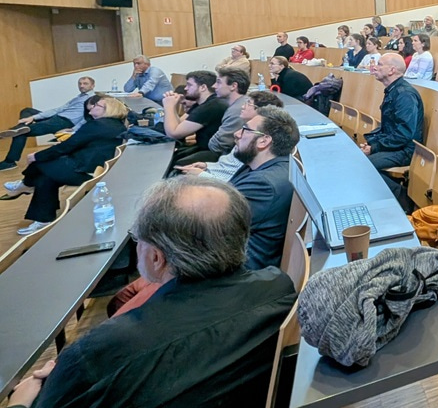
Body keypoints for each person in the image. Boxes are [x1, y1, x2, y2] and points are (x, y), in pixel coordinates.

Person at [6, 176, 296, 408]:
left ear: (157, 257)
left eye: (137, 240)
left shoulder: (99, 352)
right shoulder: (279, 287)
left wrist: (20, 400)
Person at [3, 97, 127, 236]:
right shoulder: (115, 125)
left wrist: (36, 156)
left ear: (108, 109)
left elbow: (68, 146)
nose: (91, 108)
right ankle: (43, 219)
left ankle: (25, 184)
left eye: (96, 105)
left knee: (40, 161)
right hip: (89, 167)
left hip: (85, 171)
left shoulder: (98, 125)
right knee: (45, 177)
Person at [229, 105, 299, 270]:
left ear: (263, 140)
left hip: (236, 272)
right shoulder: (270, 166)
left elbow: (206, 225)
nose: (237, 134)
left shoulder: (263, 185)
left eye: (245, 130)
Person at [361, 53, 425, 208]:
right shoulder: (393, 90)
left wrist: (374, 147)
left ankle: (402, 199)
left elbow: (403, 134)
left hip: (405, 150)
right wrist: (372, 143)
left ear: (392, 70)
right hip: (395, 146)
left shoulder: (404, 94)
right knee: (358, 160)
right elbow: (388, 128)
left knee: (363, 166)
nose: (375, 67)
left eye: (380, 64)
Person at [176, 91, 284, 182]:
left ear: (260, 110)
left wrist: (201, 175)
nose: (242, 106)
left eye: (248, 104)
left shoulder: (253, 139)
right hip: (214, 172)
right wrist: (206, 166)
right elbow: (228, 166)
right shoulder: (246, 129)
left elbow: (232, 178)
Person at [0, 77, 95, 171]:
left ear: (92, 85)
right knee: (27, 111)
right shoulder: (78, 97)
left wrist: (74, 129)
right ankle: (20, 128)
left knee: (20, 133)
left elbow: (88, 117)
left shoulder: (92, 99)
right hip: (56, 117)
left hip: (63, 122)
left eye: (85, 83)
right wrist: (33, 117)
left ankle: (9, 162)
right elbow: (58, 109)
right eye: (80, 83)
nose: (81, 86)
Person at [163, 71, 228, 165]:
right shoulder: (201, 103)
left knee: (175, 163)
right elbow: (179, 124)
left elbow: (173, 133)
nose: (186, 88)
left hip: (213, 152)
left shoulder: (210, 106)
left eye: (189, 85)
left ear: (203, 87)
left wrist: (168, 106)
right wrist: (173, 106)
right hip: (203, 147)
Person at [205, 68, 250, 156]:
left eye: (219, 82)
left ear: (233, 86)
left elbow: (217, 146)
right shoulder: (239, 103)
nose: (214, 86)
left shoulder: (238, 110)